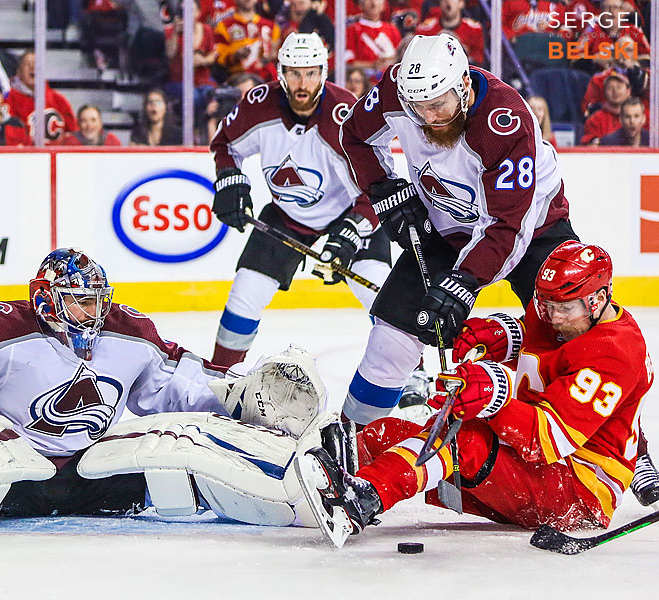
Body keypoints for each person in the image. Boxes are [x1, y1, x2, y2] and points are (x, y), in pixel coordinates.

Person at [0, 249, 329, 541]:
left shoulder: (128, 331)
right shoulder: (5, 327)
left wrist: (237, 395)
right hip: (8, 477)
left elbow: (174, 383)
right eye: (79, 303)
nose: (92, 314)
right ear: (48, 300)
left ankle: (300, 487)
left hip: (96, 476)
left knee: (181, 437)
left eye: (97, 301)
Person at [298, 241, 655, 539]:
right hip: (530, 468)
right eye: (544, 304)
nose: (552, 316)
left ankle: (361, 500)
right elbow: (540, 339)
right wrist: (504, 335)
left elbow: (546, 439)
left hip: (576, 490)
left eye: (563, 308)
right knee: (386, 433)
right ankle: (311, 487)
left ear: (598, 300)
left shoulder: (615, 353)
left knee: (463, 441)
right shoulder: (555, 310)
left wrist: (493, 396)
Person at [337, 33, 578, 428]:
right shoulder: (397, 92)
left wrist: (463, 281)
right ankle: (350, 445)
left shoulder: (506, 123)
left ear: (464, 85)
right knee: (390, 341)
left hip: (534, 227)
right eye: (418, 108)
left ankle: (628, 446)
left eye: (438, 105)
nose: (429, 118)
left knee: (575, 329)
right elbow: (356, 136)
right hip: (447, 226)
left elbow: (507, 227)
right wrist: (385, 189)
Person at [208, 33, 392, 368]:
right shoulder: (258, 104)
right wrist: (229, 179)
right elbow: (225, 144)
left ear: (324, 71)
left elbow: (375, 187)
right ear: (281, 73)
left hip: (349, 215)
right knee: (245, 293)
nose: (302, 83)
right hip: (287, 216)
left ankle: (413, 376)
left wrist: (351, 233)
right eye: (294, 73)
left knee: (380, 295)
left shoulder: (344, 117)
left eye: (310, 72)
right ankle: (221, 373)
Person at [5, 49, 78, 145]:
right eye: (27, 64)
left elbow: (74, 133)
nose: (32, 67)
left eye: (36, 64)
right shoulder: (9, 100)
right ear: (18, 71)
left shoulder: (58, 99)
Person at [213, 0, 281, 81]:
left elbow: (279, 57)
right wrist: (234, 56)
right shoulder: (223, 26)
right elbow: (218, 57)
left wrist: (273, 55)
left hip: (267, 79)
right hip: (237, 79)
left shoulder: (272, 26)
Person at [414, 0, 484, 65]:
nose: (448, 2)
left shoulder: (474, 29)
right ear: (439, 4)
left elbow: (477, 60)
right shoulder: (425, 29)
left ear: (461, 3)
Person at [344, 0, 402, 75]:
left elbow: (400, 58)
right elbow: (348, 63)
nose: (373, 3)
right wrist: (372, 65)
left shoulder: (392, 30)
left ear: (383, 5)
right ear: (361, 5)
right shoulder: (352, 30)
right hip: (364, 80)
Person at [581, 72, 640, 145]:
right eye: (609, 88)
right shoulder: (595, 120)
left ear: (628, 91)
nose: (615, 91)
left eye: (619, 87)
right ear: (605, 93)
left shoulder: (640, 114)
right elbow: (590, 146)